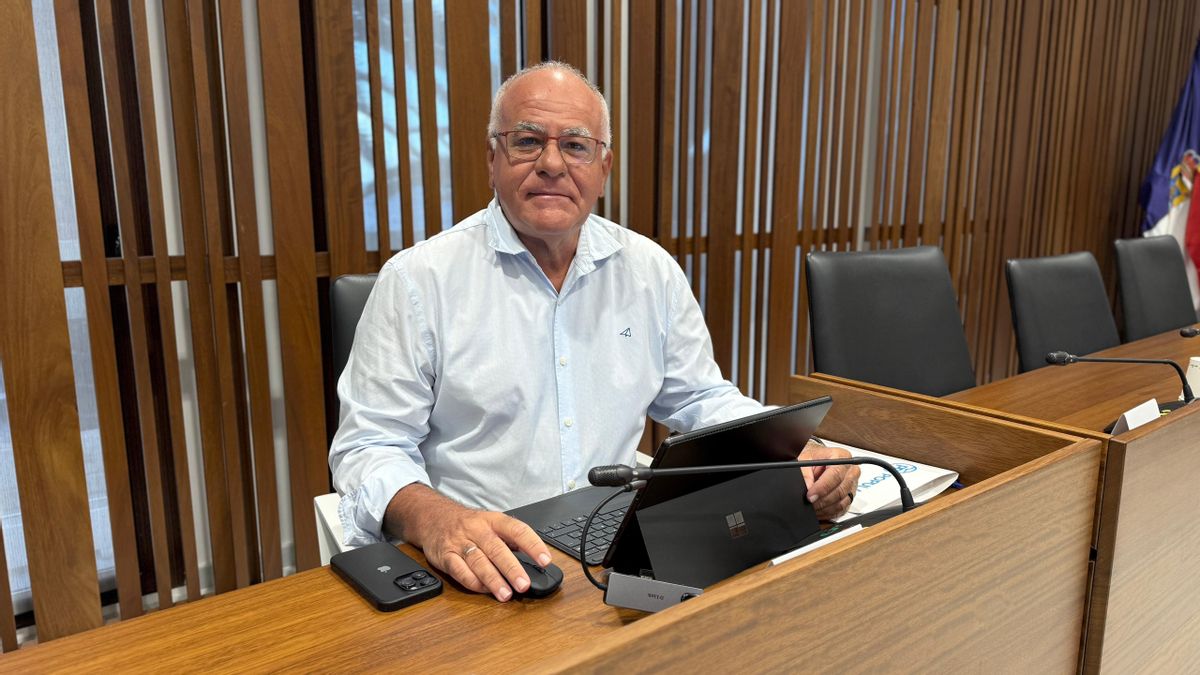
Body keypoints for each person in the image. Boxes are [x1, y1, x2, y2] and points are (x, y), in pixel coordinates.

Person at [329, 61, 859, 602]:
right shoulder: (418, 281)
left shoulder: (648, 270)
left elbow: (700, 398)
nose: (551, 164)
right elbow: (369, 446)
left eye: (576, 146)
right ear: (492, 160)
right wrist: (437, 520)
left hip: (612, 548)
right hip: (481, 561)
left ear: (604, 167)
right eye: (527, 142)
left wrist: (795, 449)